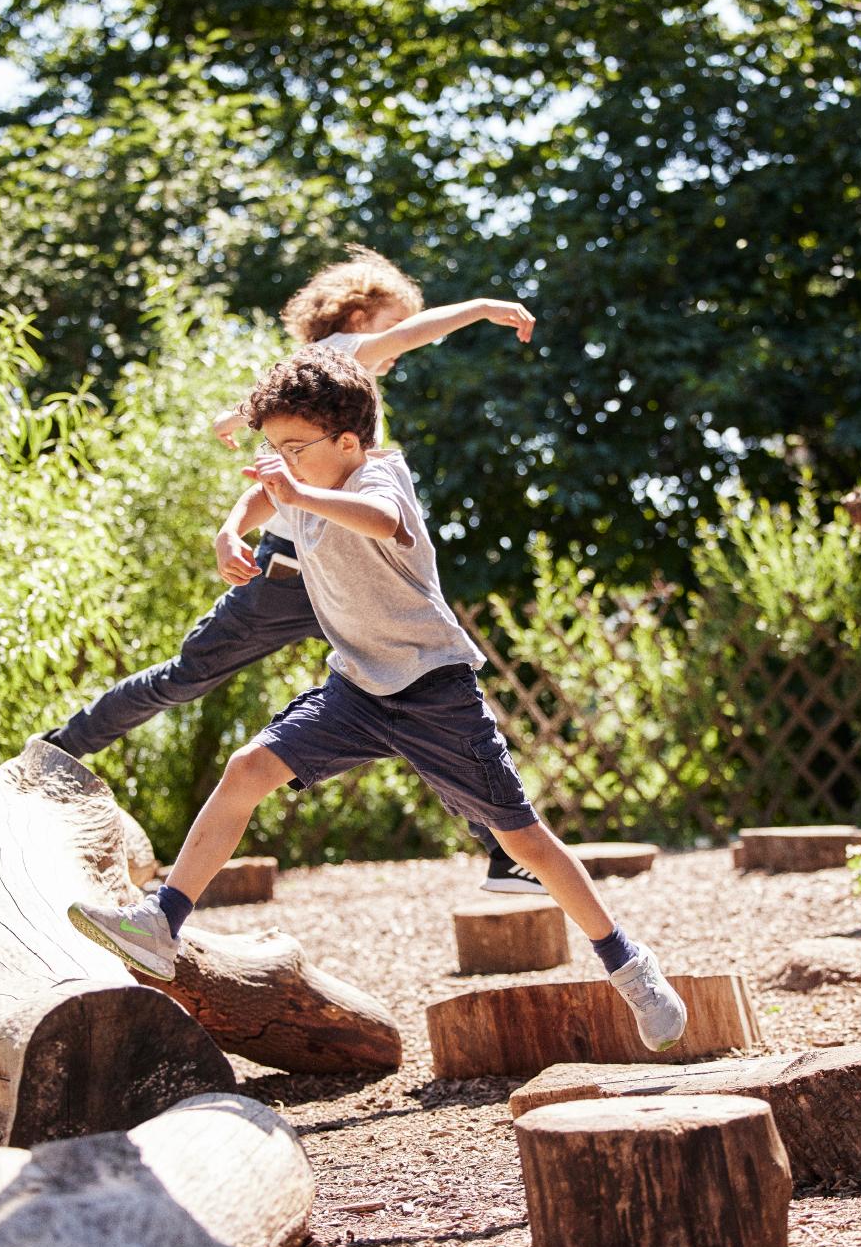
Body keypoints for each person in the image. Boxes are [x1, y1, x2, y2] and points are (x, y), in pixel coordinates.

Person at [67, 345, 688, 1052]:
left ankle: (628, 964)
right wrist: (232, 526)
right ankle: (161, 920)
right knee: (247, 770)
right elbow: (268, 492)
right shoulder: (301, 478)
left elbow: (381, 520)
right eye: (272, 448)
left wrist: (297, 494)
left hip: (433, 691)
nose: (281, 463)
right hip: (357, 689)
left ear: (349, 442)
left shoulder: (379, 476)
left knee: (523, 841)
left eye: (293, 449)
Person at [37, 246, 549, 894]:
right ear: (361, 317)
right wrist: (479, 308)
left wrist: (232, 504)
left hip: (336, 577)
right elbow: (406, 336)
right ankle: (61, 749)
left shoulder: (313, 386)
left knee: (405, 694)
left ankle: (63, 747)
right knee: (421, 694)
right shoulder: (344, 355)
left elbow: (272, 464)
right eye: (389, 329)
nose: (394, 352)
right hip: (301, 577)